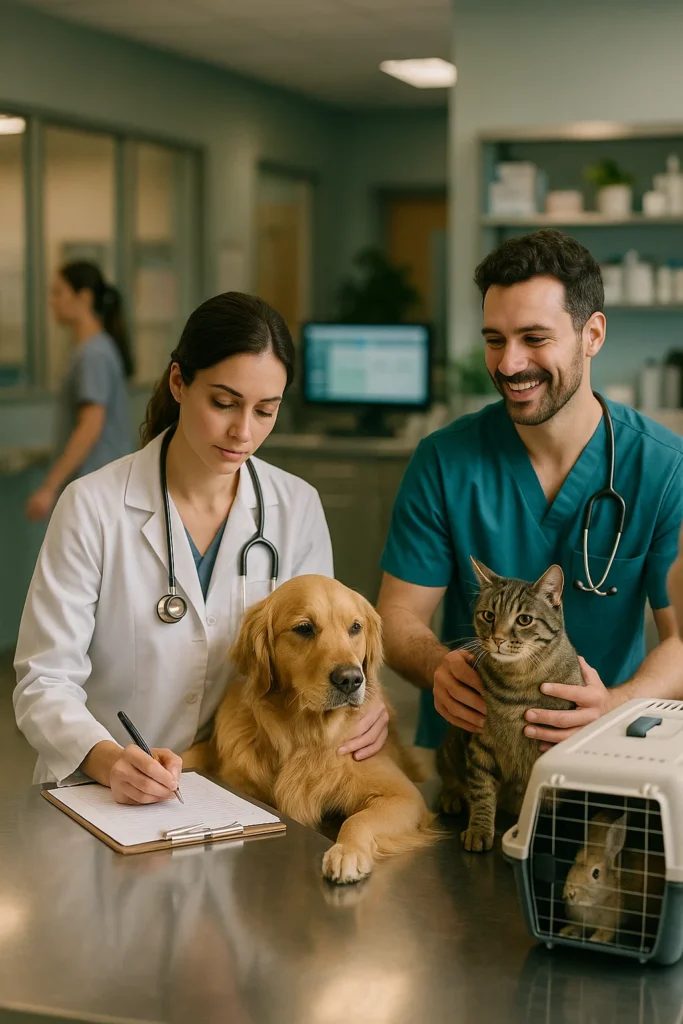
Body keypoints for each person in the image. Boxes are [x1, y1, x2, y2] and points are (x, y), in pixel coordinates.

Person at [14, 292, 389, 803]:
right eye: (224, 403)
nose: (243, 432)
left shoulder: (296, 506)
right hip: (99, 791)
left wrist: (364, 701)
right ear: (179, 382)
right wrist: (106, 760)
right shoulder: (92, 506)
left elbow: (318, 662)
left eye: (266, 410)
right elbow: (43, 681)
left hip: (230, 786)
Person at [377, 229, 683, 754]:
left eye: (534, 339)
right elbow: (398, 616)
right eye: (495, 340)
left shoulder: (664, 467)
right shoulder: (444, 460)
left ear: (592, 335)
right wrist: (437, 667)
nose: (509, 364)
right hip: (474, 759)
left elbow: (680, 638)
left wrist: (614, 703)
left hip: (603, 750)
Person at [26, 261, 134, 522]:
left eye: (58, 292)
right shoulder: (92, 350)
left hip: (97, 485)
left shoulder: (93, 354)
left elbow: (90, 425)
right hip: (101, 486)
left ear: (83, 297)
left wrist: (49, 486)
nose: (52, 301)